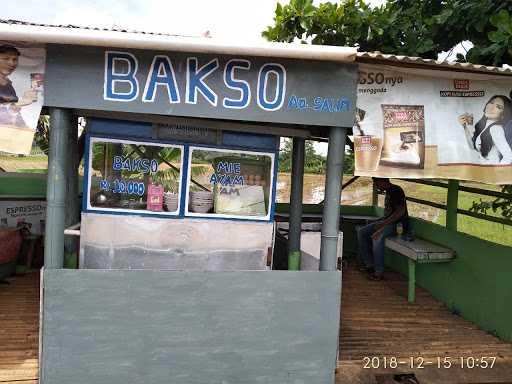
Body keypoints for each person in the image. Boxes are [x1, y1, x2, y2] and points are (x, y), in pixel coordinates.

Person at [357, 178, 408, 280]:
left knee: (377, 237)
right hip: (387, 222)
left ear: (381, 182)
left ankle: (378, 272)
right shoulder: (388, 191)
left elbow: (400, 212)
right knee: (362, 232)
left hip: (398, 225)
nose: (376, 186)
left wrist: (382, 225)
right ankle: (369, 264)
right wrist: (379, 221)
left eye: (376, 183)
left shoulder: (396, 191)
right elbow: (389, 213)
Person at [458, 95, 512, 165]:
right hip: (482, 171)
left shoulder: (495, 129)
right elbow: (472, 146)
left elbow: (509, 157)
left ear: (503, 115)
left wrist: (497, 173)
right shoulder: (485, 126)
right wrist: (466, 126)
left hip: (490, 173)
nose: (492, 107)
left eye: (498, 107)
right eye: (491, 103)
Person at [0, 44, 38, 127]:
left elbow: (11, 114)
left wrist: (22, 102)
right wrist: (19, 103)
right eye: (6, 58)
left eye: (15, 59)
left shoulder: (8, 85)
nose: (11, 63)